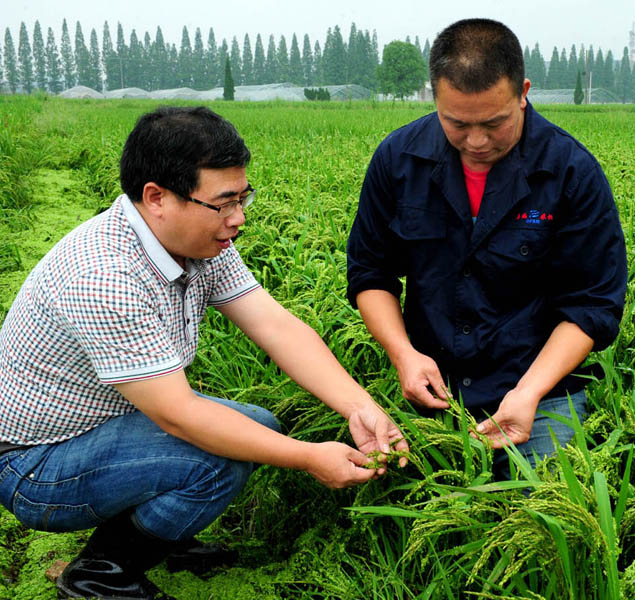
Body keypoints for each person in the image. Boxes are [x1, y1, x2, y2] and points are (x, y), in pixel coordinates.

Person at [0, 106, 408, 600]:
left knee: (260, 428)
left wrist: (360, 406)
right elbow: (180, 415)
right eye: (224, 203)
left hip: (103, 428)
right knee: (218, 459)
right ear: (157, 198)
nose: (238, 218)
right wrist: (308, 459)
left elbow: (276, 325)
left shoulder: (197, 240)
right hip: (36, 464)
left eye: (242, 198)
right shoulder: (104, 275)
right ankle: (99, 575)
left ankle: (159, 535)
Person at [346, 19, 627, 480]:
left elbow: (593, 305)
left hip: (539, 389)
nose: (476, 141)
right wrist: (403, 355)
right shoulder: (398, 161)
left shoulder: (571, 172)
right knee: (404, 507)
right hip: (434, 390)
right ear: (434, 96)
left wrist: (530, 392)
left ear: (523, 92)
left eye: (494, 123)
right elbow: (370, 273)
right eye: (456, 123)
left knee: (544, 507)